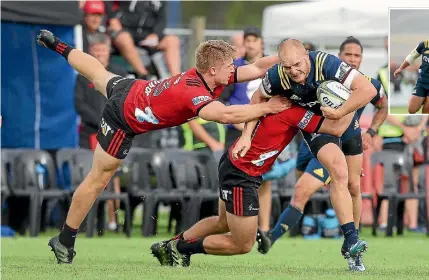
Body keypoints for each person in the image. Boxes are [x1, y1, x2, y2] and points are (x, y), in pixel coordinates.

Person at [36, 29, 290, 264]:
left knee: (98, 73)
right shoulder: (193, 92)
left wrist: (293, 57)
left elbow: (257, 67)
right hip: (122, 119)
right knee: (98, 179)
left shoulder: (211, 74)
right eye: (228, 66)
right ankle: (64, 240)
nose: (233, 69)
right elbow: (225, 115)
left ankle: (56, 44)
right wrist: (266, 107)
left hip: (133, 88)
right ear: (213, 69)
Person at [151, 101, 356, 267]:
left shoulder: (274, 100)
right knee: (242, 244)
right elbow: (334, 129)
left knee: (222, 223)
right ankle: (179, 248)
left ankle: (167, 245)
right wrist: (350, 105)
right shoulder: (294, 110)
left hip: (232, 163)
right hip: (242, 175)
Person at [235, 38, 376, 269]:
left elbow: (369, 90)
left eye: (297, 65)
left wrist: (342, 111)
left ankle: (353, 241)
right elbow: (256, 100)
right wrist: (246, 135)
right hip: (317, 127)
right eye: (287, 67)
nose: (293, 71)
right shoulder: (276, 76)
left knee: (353, 186)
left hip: (346, 120)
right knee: (337, 172)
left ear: (306, 55)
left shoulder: (326, 63)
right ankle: (351, 241)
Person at [75, 33, 128, 233]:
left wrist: (112, 122)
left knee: (112, 177)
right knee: (91, 176)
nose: (99, 54)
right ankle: (87, 221)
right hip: (90, 133)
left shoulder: (119, 73)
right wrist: (100, 122)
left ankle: (113, 221)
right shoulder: (83, 77)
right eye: (95, 51)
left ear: (108, 52)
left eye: (102, 51)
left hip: (115, 133)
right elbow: (79, 104)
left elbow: (124, 102)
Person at [223, 26, 274, 233]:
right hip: (237, 130)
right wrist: (235, 119)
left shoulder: (272, 69)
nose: (250, 44)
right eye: (247, 40)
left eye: (254, 40)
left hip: (264, 133)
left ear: (262, 42)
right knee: (233, 177)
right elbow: (221, 100)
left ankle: (264, 228)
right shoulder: (235, 69)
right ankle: (230, 225)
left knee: (264, 179)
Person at [104, 1, 182, 76]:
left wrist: (156, 34)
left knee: (172, 40)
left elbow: (162, 18)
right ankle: (145, 76)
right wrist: (112, 18)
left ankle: (176, 79)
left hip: (147, 35)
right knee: (123, 38)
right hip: (125, 31)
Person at [81, 0, 149, 77]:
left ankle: (144, 76)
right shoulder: (78, 33)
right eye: (92, 15)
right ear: (85, 15)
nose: (96, 19)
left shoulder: (103, 32)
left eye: (99, 15)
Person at [394, 25, 429, 114]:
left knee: (426, 111)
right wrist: (401, 68)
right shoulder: (424, 45)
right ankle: (423, 98)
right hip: (422, 83)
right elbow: (411, 57)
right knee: (411, 110)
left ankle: (424, 126)